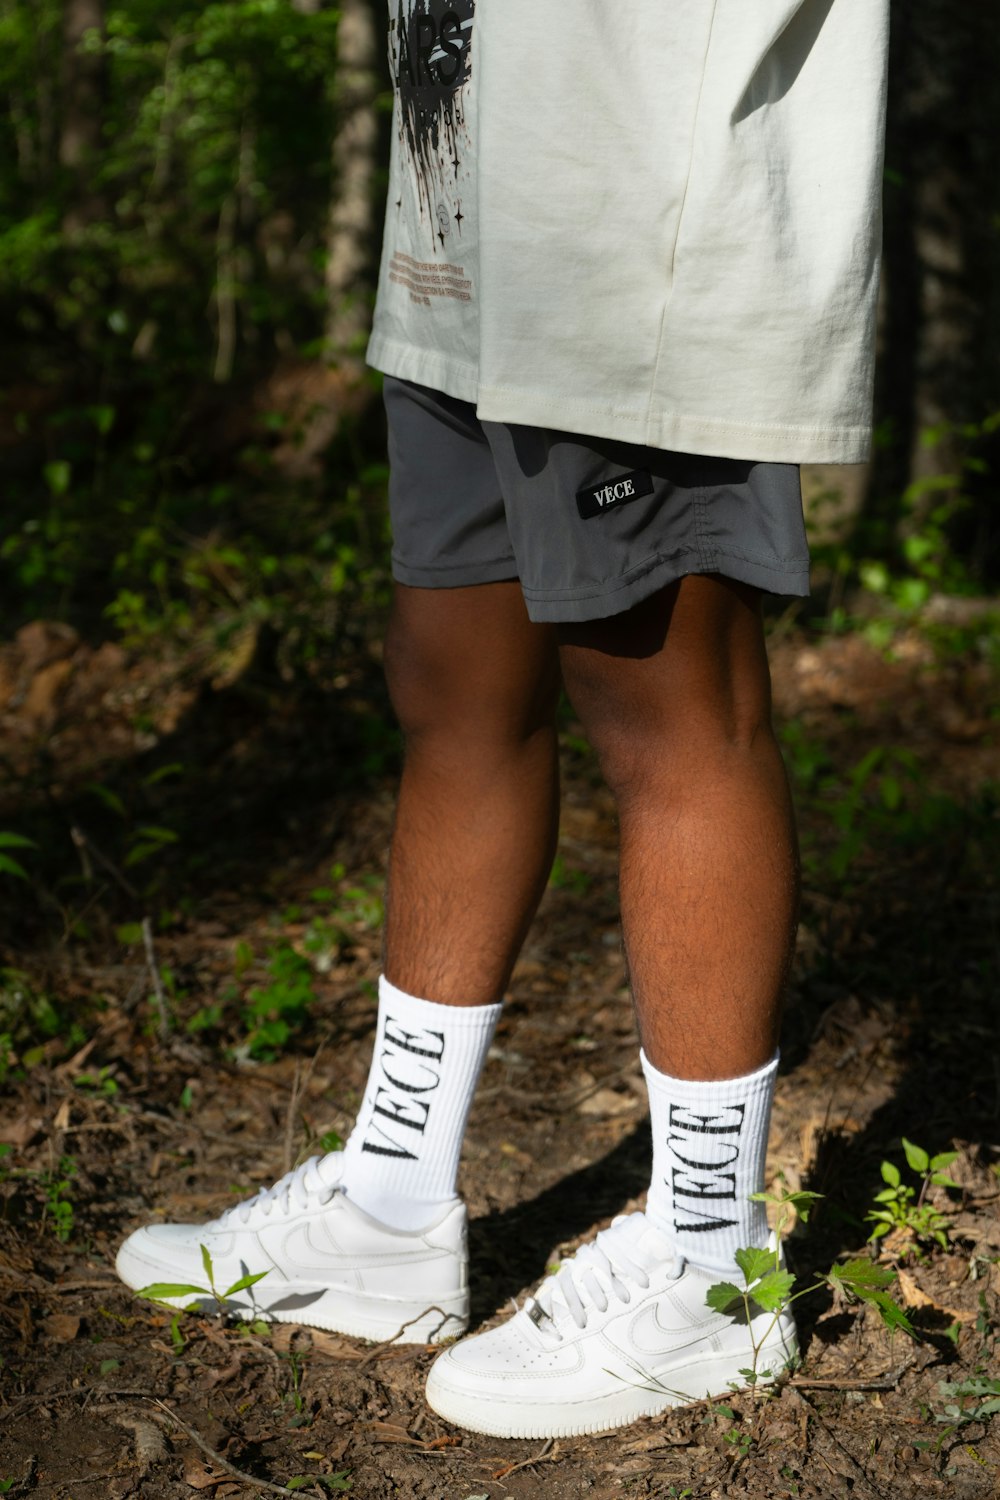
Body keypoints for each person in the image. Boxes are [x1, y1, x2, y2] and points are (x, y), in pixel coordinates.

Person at [116, 0, 891, 1441]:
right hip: (467, 176)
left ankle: (716, 1269)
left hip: (632, 190)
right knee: (452, 670)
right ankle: (392, 1203)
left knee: (664, 691)